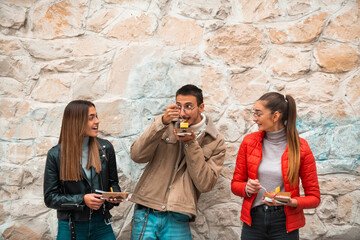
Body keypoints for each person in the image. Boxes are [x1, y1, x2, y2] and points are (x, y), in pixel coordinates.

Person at [130, 84, 226, 240]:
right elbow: (137, 155)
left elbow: (205, 184)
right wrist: (160, 123)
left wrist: (190, 143)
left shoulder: (215, 140)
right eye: (179, 106)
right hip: (147, 210)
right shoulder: (164, 125)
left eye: (188, 106)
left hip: (178, 215)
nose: (182, 112)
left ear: (201, 107)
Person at [231, 92, 320, 240]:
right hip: (253, 221)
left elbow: (314, 197)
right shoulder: (248, 142)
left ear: (275, 116)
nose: (254, 118)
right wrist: (246, 188)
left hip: (285, 223)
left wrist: (291, 201)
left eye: (258, 114)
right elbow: (235, 184)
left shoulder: (301, 148)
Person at [44, 100, 122, 240]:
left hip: (102, 224)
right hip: (71, 226)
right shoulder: (55, 155)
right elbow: (50, 198)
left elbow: (113, 183)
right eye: (91, 118)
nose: (97, 121)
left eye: (96, 116)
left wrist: (113, 197)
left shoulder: (105, 149)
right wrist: (82, 200)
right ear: (77, 121)